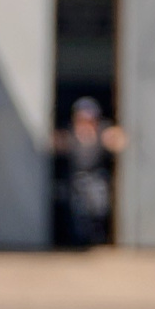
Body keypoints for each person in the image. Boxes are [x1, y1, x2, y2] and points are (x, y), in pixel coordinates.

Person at [54, 97, 125, 249]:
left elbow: (118, 140)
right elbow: (54, 142)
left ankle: (98, 239)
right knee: (77, 212)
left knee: (99, 207)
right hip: (76, 178)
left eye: (90, 117)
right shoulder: (70, 133)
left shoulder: (102, 131)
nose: (87, 121)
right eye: (83, 117)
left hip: (97, 176)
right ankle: (79, 241)